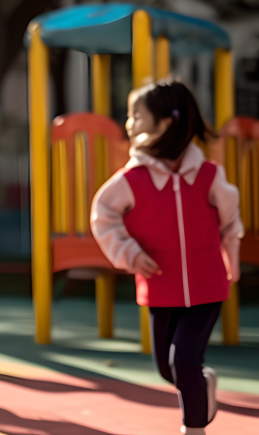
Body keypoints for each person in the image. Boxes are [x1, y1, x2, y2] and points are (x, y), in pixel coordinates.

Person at [91, 79, 242, 435]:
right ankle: (204, 383)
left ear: (165, 123)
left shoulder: (208, 176)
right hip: (161, 287)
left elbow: (230, 221)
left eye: (136, 116)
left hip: (207, 287)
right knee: (168, 369)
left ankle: (194, 430)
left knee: (184, 359)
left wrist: (231, 261)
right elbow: (103, 216)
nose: (129, 124)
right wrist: (128, 253)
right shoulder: (133, 179)